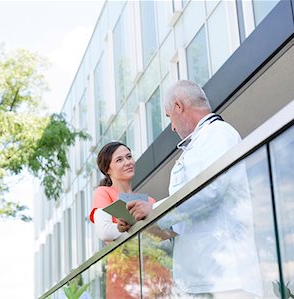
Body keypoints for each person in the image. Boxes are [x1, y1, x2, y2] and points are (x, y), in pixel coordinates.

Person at [119, 80, 262, 298]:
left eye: (169, 117)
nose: (173, 127)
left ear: (179, 106)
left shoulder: (219, 133)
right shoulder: (198, 144)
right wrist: (137, 221)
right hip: (198, 281)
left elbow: (210, 191)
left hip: (226, 279)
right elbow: (180, 222)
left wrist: (155, 210)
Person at [89, 141, 156, 299]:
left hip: (153, 272)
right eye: (119, 160)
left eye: (129, 157)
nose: (127, 162)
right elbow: (104, 231)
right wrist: (124, 229)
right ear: (107, 169)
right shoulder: (103, 192)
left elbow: (159, 238)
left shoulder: (149, 201)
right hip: (123, 273)